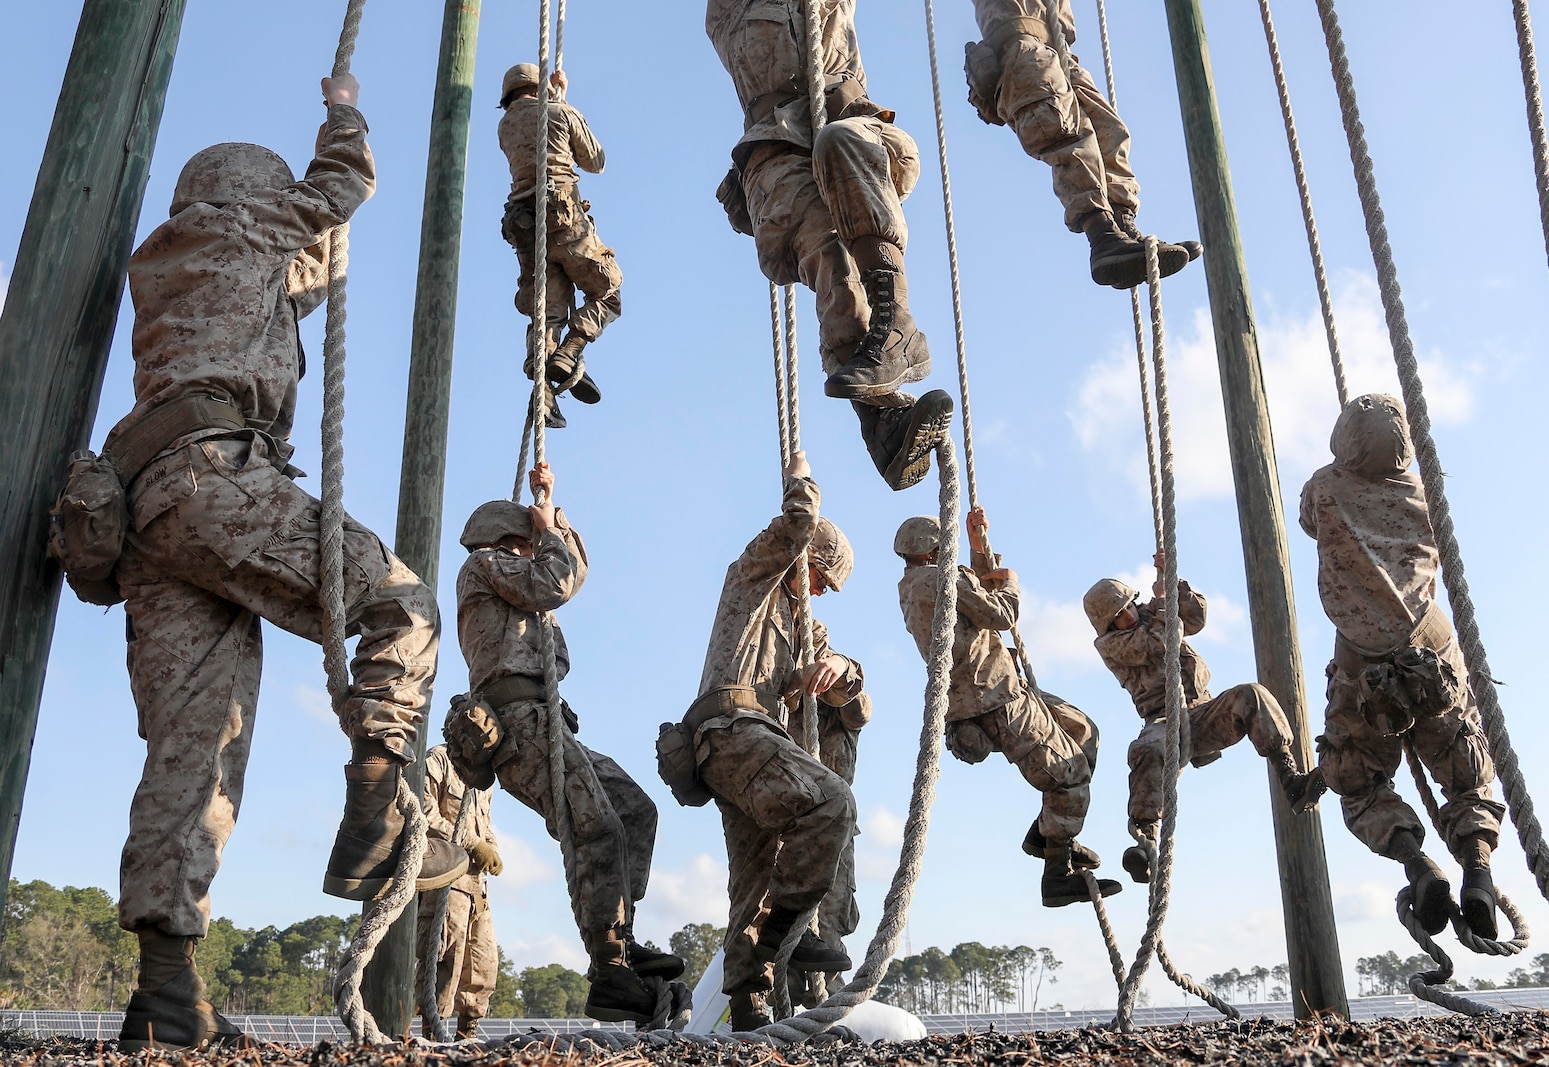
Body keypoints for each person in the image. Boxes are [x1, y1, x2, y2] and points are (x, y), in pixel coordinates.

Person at [103, 73, 467, 1051]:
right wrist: (346, 105)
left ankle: (167, 991)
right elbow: (344, 186)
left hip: (149, 517)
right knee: (401, 604)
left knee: (195, 746)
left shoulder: (167, 259)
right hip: (217, 484)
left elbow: (294, 279)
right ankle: (381, 792)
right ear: (249, 192)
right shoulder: (252, 225)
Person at [446, 462, 684, 1025]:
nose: (532, 551)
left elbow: (563, 579)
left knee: (634, 810)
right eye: (525, 543)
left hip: (548, 720)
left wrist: (555, 516)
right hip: (518, 723)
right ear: (508, 542)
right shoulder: (483, 568)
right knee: (594, 824)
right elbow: (555, 581)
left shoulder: (516, 586)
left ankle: (620, 937)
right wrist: (548, 529)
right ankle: (609, 967)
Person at [707, 0, 955, 491]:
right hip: (775, 148)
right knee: (830, 260)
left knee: (839, 142)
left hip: (850, 129)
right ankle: (883, 425)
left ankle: (898, 327)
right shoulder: (728, 12)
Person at [1299, 393, 1505, 939]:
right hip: (1429, 647)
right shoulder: (1424, 490)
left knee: (1359, 781)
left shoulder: (1323, 487)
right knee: (1465, 774)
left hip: (1360, 663)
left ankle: (1418, 864)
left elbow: (1308, 524)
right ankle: (1478, 872)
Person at [679, 451, 861, 1030]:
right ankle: (792, 934)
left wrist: (835, 666)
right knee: (832, 803)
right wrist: (802, 481)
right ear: (806, 560)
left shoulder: (801, 624)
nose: (822, 595)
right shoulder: (754, 577)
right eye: (821, 580)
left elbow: (855, 690)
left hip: (744, 747)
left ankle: (748, 1004)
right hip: (734, 729)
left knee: (753, 883)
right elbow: (795, 527)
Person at [896, 508, 1121, 907]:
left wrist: (980, 547)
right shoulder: (939, 579)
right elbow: (1000, 613)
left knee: (1082, 729)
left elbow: (977, 593)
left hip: (993, 692)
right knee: (1069, 776)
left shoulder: (916, 583)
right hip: (995, 699)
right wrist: (1013, 584)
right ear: (935, 549)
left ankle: (1049, 834)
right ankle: (1058, 872)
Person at [1084, 553, 1322, 883]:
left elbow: (1195, 618)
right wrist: (1165, 601)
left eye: (1128, 606)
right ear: (1109, 626)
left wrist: (1173, 582)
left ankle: (1290, 777)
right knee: (1147, 750)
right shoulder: (1112, 644)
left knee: (1250, 694)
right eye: (1119, 616)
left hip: (1203, 712)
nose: (1128, 615)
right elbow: (1160, 642)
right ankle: (1146, 839)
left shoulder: (1152, 612)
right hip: (1164, 719)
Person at [962, 0, 1198, 288]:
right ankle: (1102, 236)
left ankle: (1121, 225)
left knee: (1110, 132)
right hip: (1020, 45)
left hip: (1059, 52)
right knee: (1066, 137)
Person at [499, 64, 619, 423]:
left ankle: (544, 393)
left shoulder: (504, 126)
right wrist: (563, 100)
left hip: (525, 227)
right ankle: (570, 351)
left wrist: (553, 98)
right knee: (608, 291)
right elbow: (595, 161)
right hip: (564, 220)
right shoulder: (559, 112)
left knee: (546, 313)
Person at [785, 683, 871, 1007]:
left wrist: (835, 671)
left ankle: (829, 1011)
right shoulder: (782, 705)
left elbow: (860, 710)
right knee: (783, 932)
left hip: (835, 831)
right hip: (787, 828)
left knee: (829, 930)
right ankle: (782, 1015)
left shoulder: (842, 707)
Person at [416, 744, 501, 1040]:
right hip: (446, 882)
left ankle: (468, 1036)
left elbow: (484, 822)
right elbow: (424, 814)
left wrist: (491, 847)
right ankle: (433, 1036)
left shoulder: (482, 777)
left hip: (476, 888)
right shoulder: (438, 761)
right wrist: (472, 844)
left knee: (482, 966)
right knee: (443, 964)